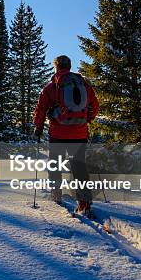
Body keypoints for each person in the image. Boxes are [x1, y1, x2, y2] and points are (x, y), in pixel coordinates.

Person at [33, 55, 99, 216]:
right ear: (69, 66)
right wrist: (86, 119)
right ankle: (84, 202)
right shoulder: (84, 84)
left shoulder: (51, 87)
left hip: (58, 133)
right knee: (79, 168)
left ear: (56, 67)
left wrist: (38, 127)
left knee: (56, 165)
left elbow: (41, 108)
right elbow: (95, 105)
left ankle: (56, 196)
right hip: (80, 133)